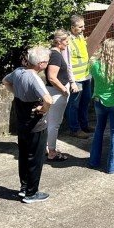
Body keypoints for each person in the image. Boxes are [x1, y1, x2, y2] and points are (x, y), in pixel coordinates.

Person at [2, 46, 53, 204]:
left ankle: (24, 188)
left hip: (22, 120)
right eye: (47, 62)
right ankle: (32, 193)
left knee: (24, 155)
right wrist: (43, 110)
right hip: (35, 123)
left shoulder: (18, 72)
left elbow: (5, 81)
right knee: (36, 157)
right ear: (41, 64)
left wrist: (16, 92)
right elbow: (48, 100)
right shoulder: (34, 78)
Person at [88, 39, 114, 174]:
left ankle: (93, 161)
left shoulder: (94, 65)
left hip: (99, 101)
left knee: (99, 130)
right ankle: (112, 166)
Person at [65, 15, 94, 138]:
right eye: (80, 26)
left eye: (83, 26)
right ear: (72, 27)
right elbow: (68, 63)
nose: (83, 28)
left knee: (85, 101)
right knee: (74, 105)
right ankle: (74, 129)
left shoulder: (80, 36)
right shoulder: (68, 41)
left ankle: (84, 125)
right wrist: (71, 81)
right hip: (76, 78)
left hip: (86, 76)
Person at [44, 29, 71, 162]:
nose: (67, 43)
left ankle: (46, 148)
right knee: (54, 123)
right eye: (66, 41)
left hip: (53, 92)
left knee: (48, 122)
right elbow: (52, 77)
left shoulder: (53, 53)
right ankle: (52, 152)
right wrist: (64, 90)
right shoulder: (55, 55)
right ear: (59, 42)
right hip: (56, 93)